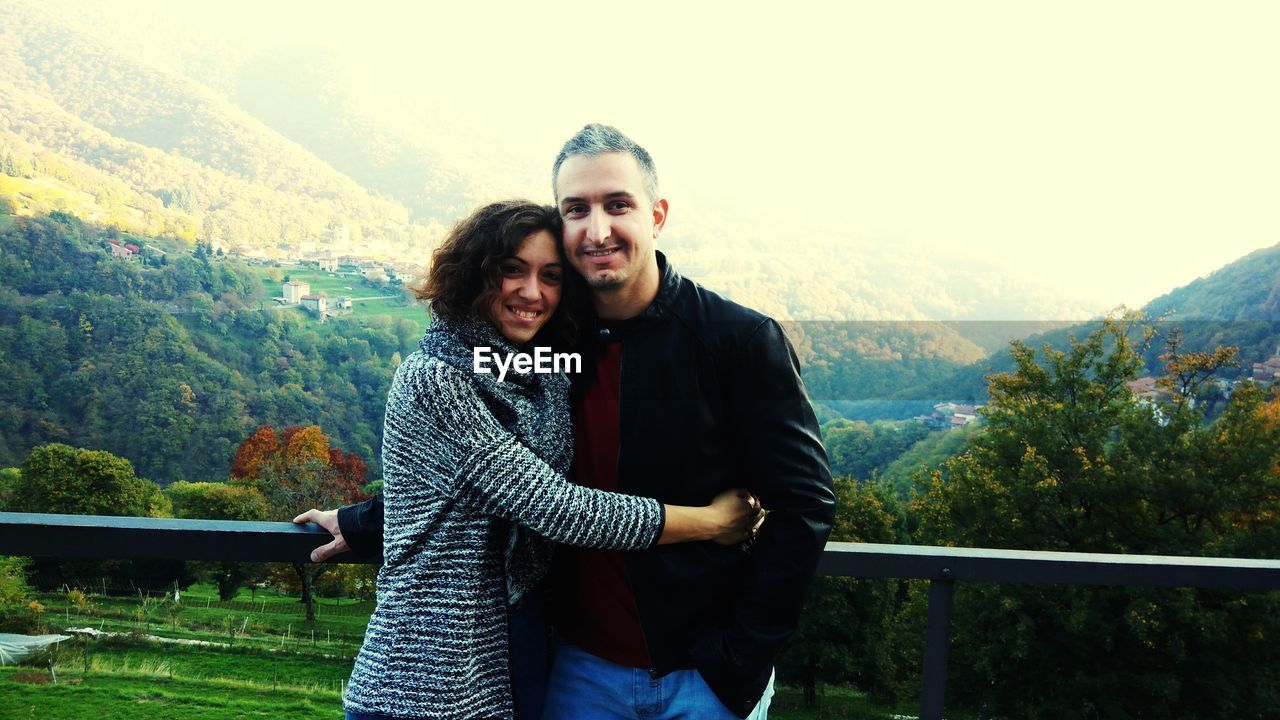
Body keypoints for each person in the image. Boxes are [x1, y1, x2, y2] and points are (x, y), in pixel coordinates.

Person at [310, 125, 836, 719]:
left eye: (618, 204)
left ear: (656, 214)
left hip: (704, 675)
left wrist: (740, 660)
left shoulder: (737, 339)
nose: (597, 228)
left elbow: (805, 505)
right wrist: (371, 520)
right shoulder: (551, 345)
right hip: (577, 671)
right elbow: (507, 477)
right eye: (576, 209)